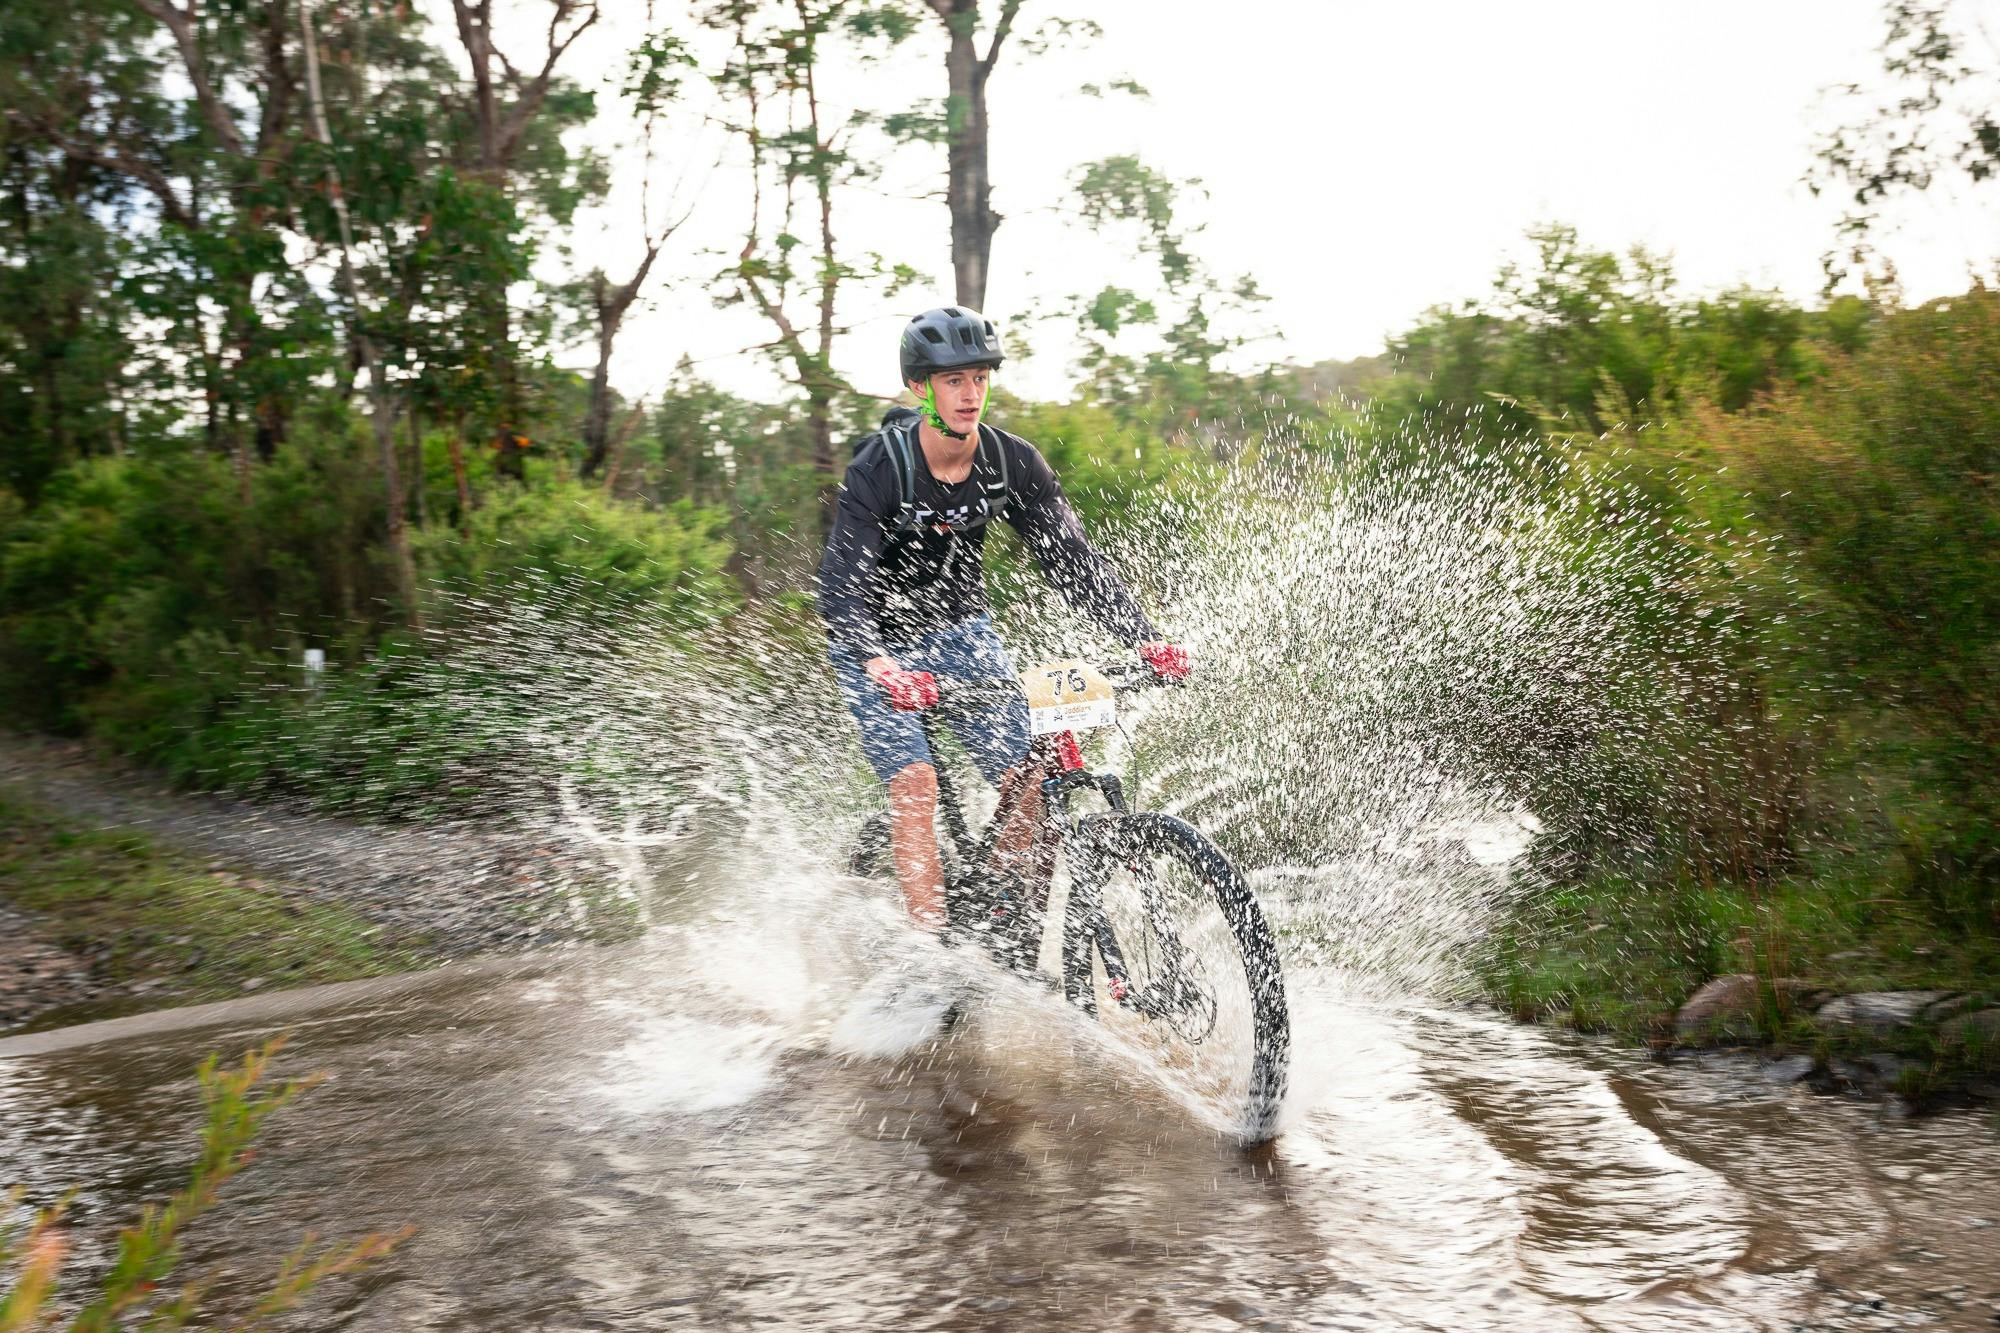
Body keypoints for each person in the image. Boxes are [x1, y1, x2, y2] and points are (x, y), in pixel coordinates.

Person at [817, 305, 1190, 953]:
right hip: (876, 646)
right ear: (920, 389)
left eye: (980, 378)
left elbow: (1072, 561)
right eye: (952, 380)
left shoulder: (1010, 463)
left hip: (962, 633)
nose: (970, 394)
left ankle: (1005, 930)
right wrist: (879, 664)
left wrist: (1142, 636)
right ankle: (930, 957)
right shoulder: (881, 468)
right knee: (916, 783)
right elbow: (840, 588)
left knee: (1032, 779)